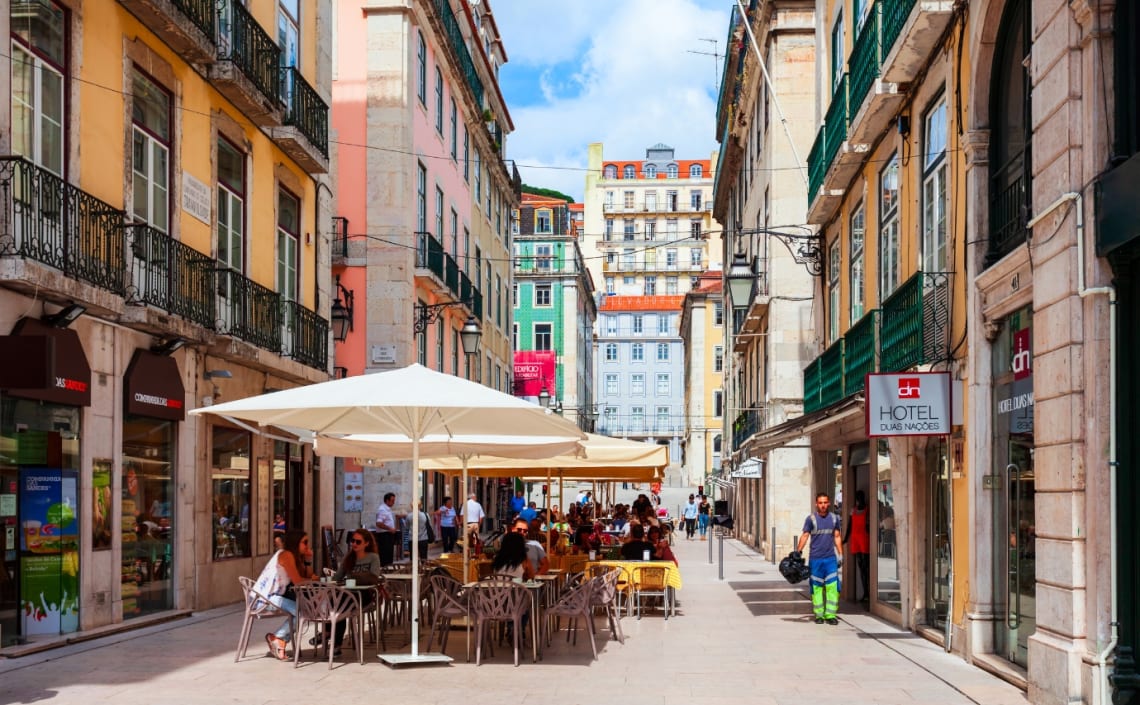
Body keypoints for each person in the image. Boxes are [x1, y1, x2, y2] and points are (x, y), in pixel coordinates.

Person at [255, 529, 318, 660]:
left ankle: (279, 640)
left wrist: (307, 560)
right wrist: (313, 580)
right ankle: (278, 638)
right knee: (304, 612)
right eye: (305, 542)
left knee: (304, 610)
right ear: (296, 543)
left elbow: (306, 574)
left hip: (273, 596)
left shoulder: (293, 556)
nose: (307, 546)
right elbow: (299, 582)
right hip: (266, 598)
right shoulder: (286, 555)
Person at [322, 530, 382, 655]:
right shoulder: (348, 558)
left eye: (358, 542)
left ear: (366, 543)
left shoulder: (373, 557)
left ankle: (328, 634)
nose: (354, 544)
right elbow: (337, 577)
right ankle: (335, 644)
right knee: (338, 604)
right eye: (352, 541)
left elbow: (374, 577)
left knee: (339, 604)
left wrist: (354, 577)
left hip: (365, 595)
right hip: (349, 595)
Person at [796, 492, 844, 625]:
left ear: (829, 503)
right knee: (816, 587)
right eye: (820, 503)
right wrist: (797, 552)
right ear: (816, 504)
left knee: (832, 587)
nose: (823, 505)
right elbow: (805, 535)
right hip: (815, 560)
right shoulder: (810, 519)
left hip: (830, 559)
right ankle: (819, 615)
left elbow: (837, 536)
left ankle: (830, 615)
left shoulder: (834, 519)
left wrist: (840, 554)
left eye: (825, 502)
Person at [843, 490, 871, 603]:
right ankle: (865, 592)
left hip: (864, 538)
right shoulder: (853, 510)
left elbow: (870, 524)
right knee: (860, 566)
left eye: (859, 497)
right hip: (855, 539)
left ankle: (868, 592)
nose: (858, 499)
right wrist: (845, 538)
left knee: (866, 566)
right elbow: (850, 525)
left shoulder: (867, 510)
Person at [374, 492, 398, 565]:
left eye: (394, 500)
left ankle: (388, 568)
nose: (394, 502)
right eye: (392, 501)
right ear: (387, 501)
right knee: (385, 554)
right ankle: (385, 569)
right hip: (384, 536)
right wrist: (390, 529)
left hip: (388, 535)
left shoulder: (387, 509)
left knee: (389, 554)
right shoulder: (382, 510)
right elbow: (378, 523)